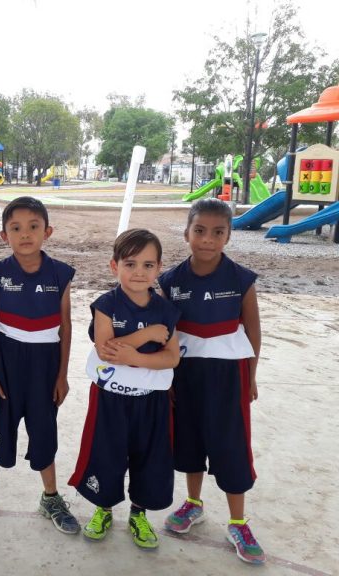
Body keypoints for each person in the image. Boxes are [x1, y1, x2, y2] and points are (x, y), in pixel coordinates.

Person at [0, 196, 80, 535]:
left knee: (44, 433)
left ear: (48, 232)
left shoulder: (60, 273)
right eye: (16, 228)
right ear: (4, 236)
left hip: (45, 367)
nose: (25, 234)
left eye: (33, 227)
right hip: (6, 364)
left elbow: (66, 326)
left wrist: (61, 375)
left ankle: (51, 497)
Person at [159, 198, 265, 565]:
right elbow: (165, 334)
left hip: (228, 374)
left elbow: (253, 329)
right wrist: (166, 376)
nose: (207, 239)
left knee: (231, 445)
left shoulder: (240, 279)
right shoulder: (170, 281)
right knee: (190, 439)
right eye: (200, 231)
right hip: (186, 373)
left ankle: (239, 521)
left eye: (217, 232)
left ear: (228, 236)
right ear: (187, 232)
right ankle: (192, 503)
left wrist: (250, 374)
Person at [68, 229, 180, 549]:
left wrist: (134, 358)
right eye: (130, 264)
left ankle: (138, 514)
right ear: (113, 266)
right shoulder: (106, 305)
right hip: (110, 398)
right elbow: (105, 349)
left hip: (151, 401)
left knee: (149, 457)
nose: (138, 272)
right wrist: (144, 340)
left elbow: (171, 358)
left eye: (148, 265)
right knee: (106, 455)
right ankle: (103, 509)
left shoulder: (165, 311)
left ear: (159, 268)